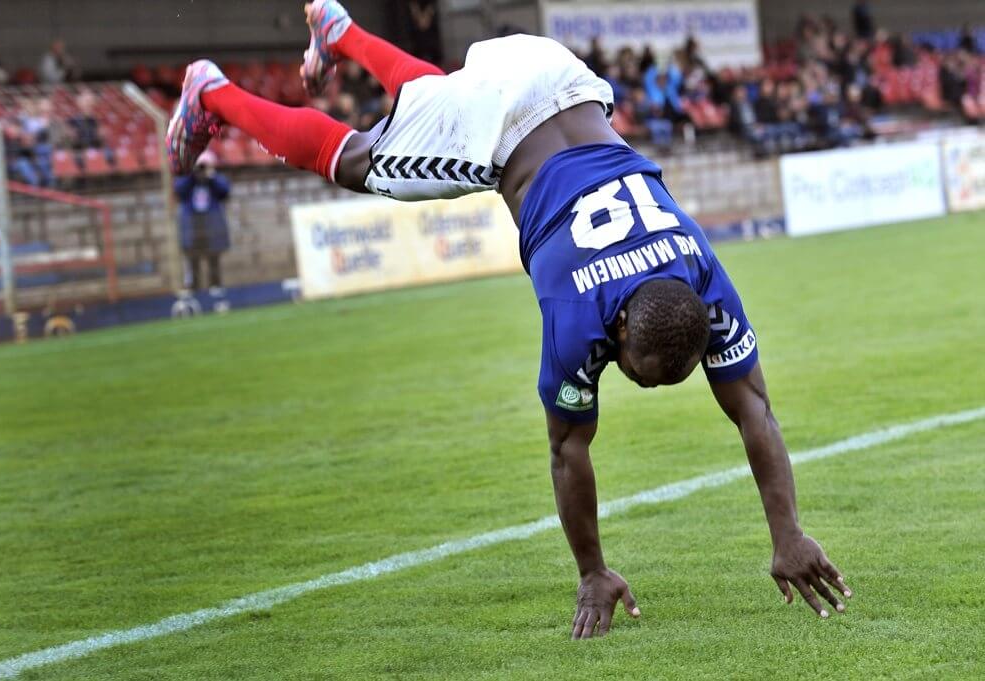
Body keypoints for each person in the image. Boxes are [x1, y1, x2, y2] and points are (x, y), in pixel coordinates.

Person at [167, 0, 854, 639]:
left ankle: (340, 33)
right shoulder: (578, 318)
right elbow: (568, 450)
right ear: (617, 331)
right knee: (352, 160)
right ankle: (212, 93)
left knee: (437, 106)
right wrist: (592, 571)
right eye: (637, 374)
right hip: (504, 123)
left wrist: (789, 534)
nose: (639, 386)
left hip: (562, 76)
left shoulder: (701, 273)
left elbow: (754, 407)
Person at [174, 151, 231, 292]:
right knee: (193, 258)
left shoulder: (215, 179)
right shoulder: (187, 179)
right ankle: (194, 288)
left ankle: (215, 287)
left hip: (211, 222)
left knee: (213, 256)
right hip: (192, 223)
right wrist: (191, 175)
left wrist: (211, 176)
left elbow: (225, 191)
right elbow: (179, 191)